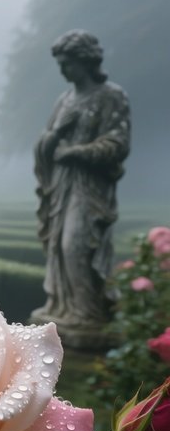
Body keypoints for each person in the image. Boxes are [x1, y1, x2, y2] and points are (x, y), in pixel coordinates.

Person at [31, 30, 130, 338]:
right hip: (60, 185)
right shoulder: (64, 100)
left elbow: (118, 144)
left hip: (89, 187)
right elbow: (45, 145)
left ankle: (88, 314)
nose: (63, 70)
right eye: (60, 64)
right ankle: (64, 308)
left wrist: (74, 152)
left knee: (75, 244)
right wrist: (57, 133)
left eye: (68, 63)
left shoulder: (111, 96)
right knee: (58, 248)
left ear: (86, 61)